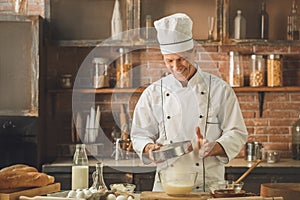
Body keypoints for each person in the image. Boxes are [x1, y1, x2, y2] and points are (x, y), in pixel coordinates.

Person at [130, 13, 248, 192]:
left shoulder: (220, 90)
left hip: (208, 187)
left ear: (194, 52)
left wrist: (213, 147)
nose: (176, 67)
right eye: (169, 60)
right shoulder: (153, 93)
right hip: (166, 187)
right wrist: (149, 148)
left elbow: (237, 132)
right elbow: (139, 134)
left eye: (181, 59)